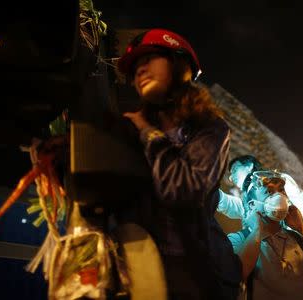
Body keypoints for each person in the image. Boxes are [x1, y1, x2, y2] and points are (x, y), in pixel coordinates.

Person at [118, 28, 241, 299]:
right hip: (137, 267)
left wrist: (150, 135)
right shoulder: (127, 128)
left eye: (149, 59)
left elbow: (182, 190)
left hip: (189, 272)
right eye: (136, 67)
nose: (140, 70)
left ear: (180, 65)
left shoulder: (210, 128)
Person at [228, 174, 303, 300]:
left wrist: (302, 227)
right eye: (269, 191)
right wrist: (257, 230)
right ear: (252, 205)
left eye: (281, 190)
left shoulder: (296, 237)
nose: (279, 196)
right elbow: (236, 276)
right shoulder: (238, 239)